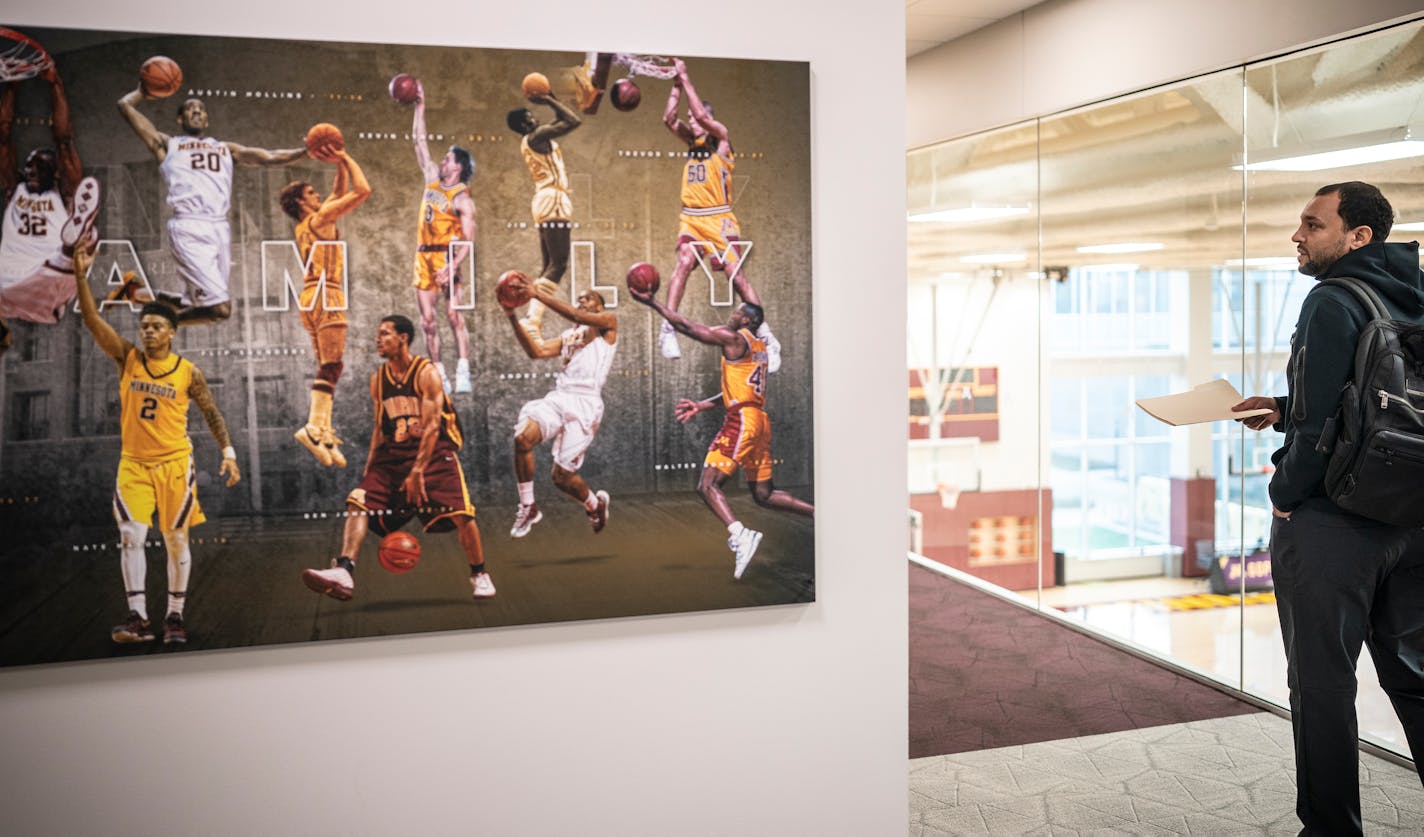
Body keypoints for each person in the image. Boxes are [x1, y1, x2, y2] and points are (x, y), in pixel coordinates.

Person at [1234, 181, 1424, 835]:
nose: (1297, 235)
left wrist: (1285, 495)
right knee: (1416, 679)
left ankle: (1330, 829)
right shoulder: (1411, 292)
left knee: (1321, 687)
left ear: (1357, 236)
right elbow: (1382, 400)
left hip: (1335, 522)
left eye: (1312, 224)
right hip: (1410, 518)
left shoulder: (1332, 299)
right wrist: (1281, 408)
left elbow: (1318, 429)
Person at [73, 238, 242, 646]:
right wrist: (81, 275)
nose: (147, 331)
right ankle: (137, 618)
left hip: (174, 464)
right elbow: (94, 321)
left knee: (175, 538)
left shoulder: (187, 372)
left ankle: (175, 617)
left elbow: (212, 413)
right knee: (131, 535)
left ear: (171, 333)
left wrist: (228, 452)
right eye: (144, 325)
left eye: (155, 326)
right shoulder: (127, 358)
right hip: (133, 463)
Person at [302, 314, 495, 601]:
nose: (377, 339)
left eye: (385, 334)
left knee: (462, 515)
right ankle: (344, 570)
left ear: (403, 338)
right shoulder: (378, 380)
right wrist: (370, 473)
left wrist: (417, 472)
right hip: (395, 455)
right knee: (358, 500)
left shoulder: (426, 372)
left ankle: (480, 574)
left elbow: (431, 426)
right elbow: (380, 428)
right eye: (378, 334)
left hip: (435, 453)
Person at [630, 284, 811, 578]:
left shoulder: (735, 339)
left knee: (707, 485)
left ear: (747, 321)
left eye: (738, 311)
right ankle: (820, 515)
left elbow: (688, 327)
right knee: (763, 494)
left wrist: (653, 303)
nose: (733, 314)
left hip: (741, 421)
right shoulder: (760, 349)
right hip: (758, 421)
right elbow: (739, 391)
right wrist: (702, 405)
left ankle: (740, 535)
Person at [117, 87, 307, 324]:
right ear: (180, 119)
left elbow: (269, 157)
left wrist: (306, 151)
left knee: (197, 303)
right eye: (189, 108)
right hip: (189, 226)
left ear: (206, 119)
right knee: (219, 310)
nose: (196, 111)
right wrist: (142, 92)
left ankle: (147, 298)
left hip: (219, 228)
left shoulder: (225, 148)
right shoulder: (169, 144)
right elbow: (124, 106)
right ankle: (159, 324)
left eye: (201, 109)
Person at [659, 58, 780, 372]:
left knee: (736, 277)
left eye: (698, 119)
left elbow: (698, 112)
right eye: (693, 120)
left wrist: (684, 78)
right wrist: (674, 86)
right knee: (683, 261)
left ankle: (766, 335)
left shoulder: (722, 140)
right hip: (692, 219)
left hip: (720, 218)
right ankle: (668, 329)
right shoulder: (693, 142)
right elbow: (669, 119)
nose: (694, 122)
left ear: (710, 121)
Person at [277, 146, 372, 469]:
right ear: (303, 202)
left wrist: (337, 164)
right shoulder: (321, 218)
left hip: (309, 296)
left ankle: (324, 430)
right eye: (311, 193)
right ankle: (313, 427)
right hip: (326, 294)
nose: (318, 196)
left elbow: (337, 191)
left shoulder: (304, 225)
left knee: (328, 367)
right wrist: (346, 157)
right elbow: (362, 190)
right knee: (332, 366)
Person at [499, 281, 615, 538]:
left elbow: (575, 315)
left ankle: (595, 506)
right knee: (522, 438)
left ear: (601, 306)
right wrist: (511, 315)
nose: (581, 302)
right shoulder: (568, 335)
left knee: (561, 477)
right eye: (579, 299)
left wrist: (536, 293)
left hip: (586, 404)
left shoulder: (607, 323)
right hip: (560, 397)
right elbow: (536, 351)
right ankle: (528, 506)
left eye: (588, 299)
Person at [0, 64, 100, 352]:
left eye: (39, 165)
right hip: (9, 277)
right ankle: (80, 237)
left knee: (74, 253)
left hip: (47, 275)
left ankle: (77, 238)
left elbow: (64, 139)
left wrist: (56, 86)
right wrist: (12, 86)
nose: (30, 169)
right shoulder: (14, 188)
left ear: (54, 173)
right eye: (28, 164)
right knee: (82, 246)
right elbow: (4, 133)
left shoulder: (64, 193)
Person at [410, 80, 475, 395]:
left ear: (459, 167)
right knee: (427, 323)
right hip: (423, 256)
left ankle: (463, 368)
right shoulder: (432, 179)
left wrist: (453, 266)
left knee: (453, 315)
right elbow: (418, 141)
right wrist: (420, 107)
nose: (443, 161)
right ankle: (439, 371)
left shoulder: (463, 199)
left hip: (446, 257)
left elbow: (468, 241)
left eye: (449, 159)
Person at [505, 91, 580, 338]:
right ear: (521, 128)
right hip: (553, 200)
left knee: (548, 266)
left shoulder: (533, 140)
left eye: (532, 117)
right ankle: (531, 320)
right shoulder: (535, 137)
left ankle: (532, 321)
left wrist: (554, 97)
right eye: (526, 121)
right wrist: (548, 100)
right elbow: (572, 121)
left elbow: (563, 121)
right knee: (558, 265)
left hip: (545, 200)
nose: (532, 122)